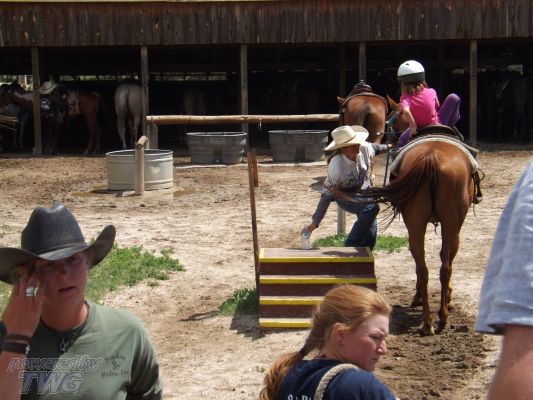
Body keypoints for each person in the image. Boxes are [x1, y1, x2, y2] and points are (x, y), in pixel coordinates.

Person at [0, 203, 162, 399]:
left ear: (88, 262)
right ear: (27, 277)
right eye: (49, 265)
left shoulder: (127, 333)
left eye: (72, 260)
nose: (64, 275)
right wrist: (16, 341)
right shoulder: (5, 339)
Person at [259, 285, 399, 400]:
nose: (384, 350)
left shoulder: (289, 376)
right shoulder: (361, 386)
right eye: (376, 337)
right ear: (340, 335)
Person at [475, 160, 533, 400]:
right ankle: (475, 190)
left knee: (397, 165)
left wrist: (404, 140)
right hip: (450, 137)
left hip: (416, 138)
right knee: (471, 162)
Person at [303, 125, 392, 249]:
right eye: (353, 144)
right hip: (342, 195)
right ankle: (350, 246)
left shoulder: (364, 148)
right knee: (371, 209)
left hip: (362, 191)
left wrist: (391, 146)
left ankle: (366, 251)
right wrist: (316, 222)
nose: (358, 145)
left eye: (357, 142)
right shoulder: (336, 167)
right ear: (343, 148)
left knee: (369, 220)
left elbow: (376, 148)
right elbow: (326, 196)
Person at [395, 60, 461, 149]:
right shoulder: (432, 91)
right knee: (454, 97)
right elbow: (437, 106)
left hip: (418, 128)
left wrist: (413, 125)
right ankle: (451, 124)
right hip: (437, 124)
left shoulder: (405, 97)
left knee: (401, 143)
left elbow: (406, 111)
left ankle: (394, 154)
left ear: (403, 83)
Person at [40, 80, 64, 155]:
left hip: (44, 118)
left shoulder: (42, 99)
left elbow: (43, 109)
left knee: (46, 134)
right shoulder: (54, 98)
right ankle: (53, 148)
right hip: (52, 118)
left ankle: (47, 148)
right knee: (57, 133)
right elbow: (61, 104)